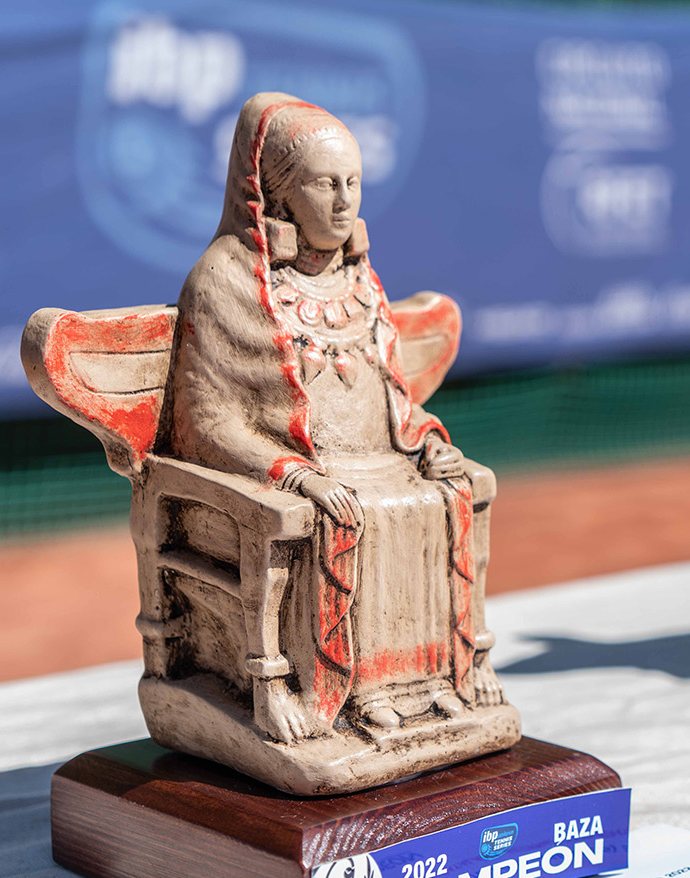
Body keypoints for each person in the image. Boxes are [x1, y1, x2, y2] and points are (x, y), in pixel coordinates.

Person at [167, 92, 502, 745]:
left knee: (446, 495)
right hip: (297, 474)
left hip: (381, 464)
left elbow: (392, 394)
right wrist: (296, 476)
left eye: (354, 182)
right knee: (349, 512)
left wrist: (426, 441)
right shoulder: (224, 280)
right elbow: (207, 424)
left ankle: (433, 682)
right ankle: (352, 692)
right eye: (325, 184)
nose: (345, 202)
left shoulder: (360, 279)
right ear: (278, 193)